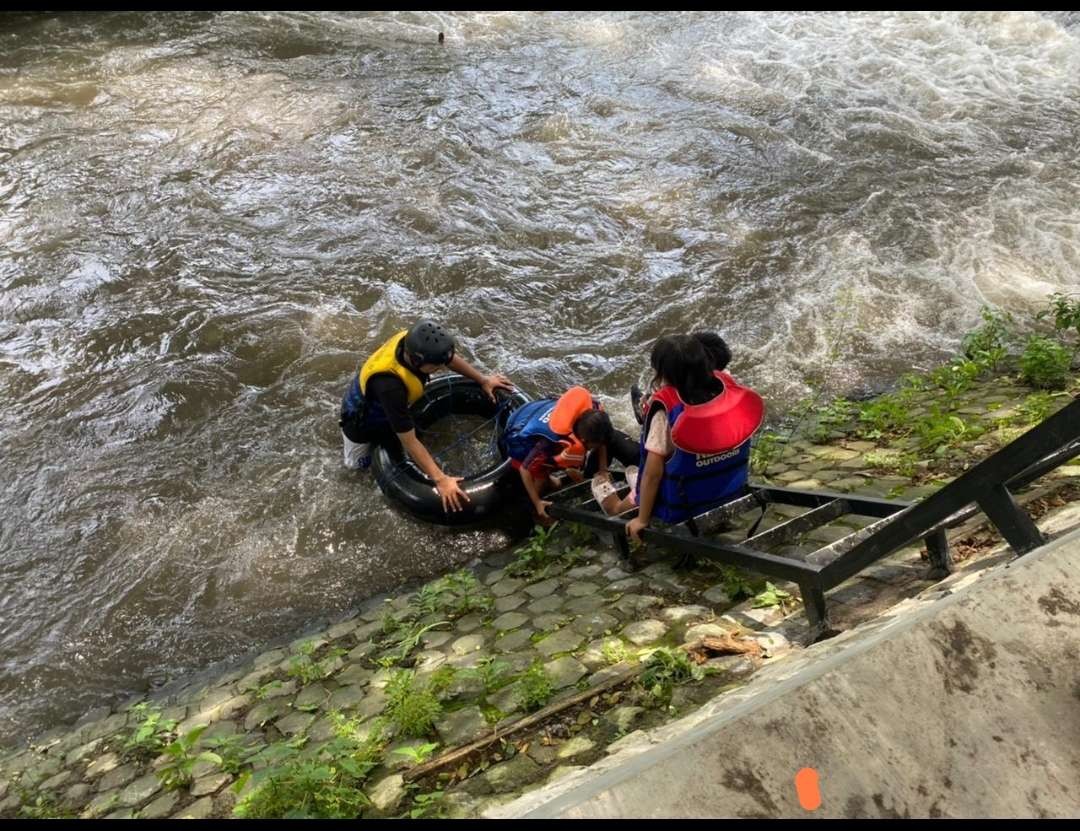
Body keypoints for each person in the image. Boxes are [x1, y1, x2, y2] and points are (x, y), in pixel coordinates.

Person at [594, 332, 764, 542]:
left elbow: (653, 474)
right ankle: (635, 477)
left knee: (623, 504)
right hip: (727, 489)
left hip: (685, 501)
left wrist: (642, 520)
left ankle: (615, 502)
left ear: (663, 373)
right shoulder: (727, 389)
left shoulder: (667, 411)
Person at [339, 319, 513, 513]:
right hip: (361, 424)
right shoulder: (391, 387)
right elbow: (409, 441)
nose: (441, 368)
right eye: (436, 366)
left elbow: (448, 359)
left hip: (388, 402)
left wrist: (483, 380)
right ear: (417, 361)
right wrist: (441, 479)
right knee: (358, 469)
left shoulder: (413, 343)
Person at [501, 386, 637, 523]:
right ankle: (537, 516)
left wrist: (603, 469)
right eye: (594, 446)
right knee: (541, 482)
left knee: (558, 480)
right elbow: (525, 469)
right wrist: (537, 502)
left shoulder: (592, 415)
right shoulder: (547, 443)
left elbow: (602, 443)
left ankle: (557, 479)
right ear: (584, 441)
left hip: (538, 415)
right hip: (521, 438)